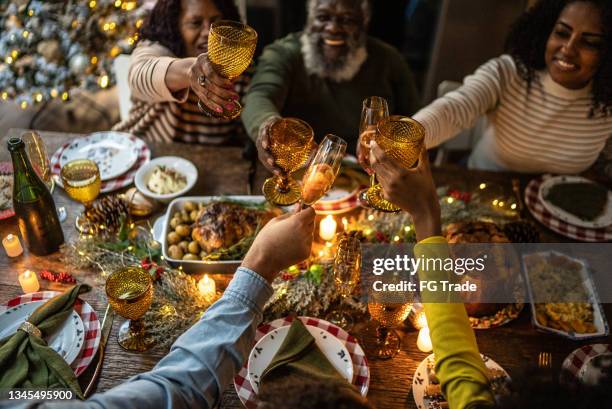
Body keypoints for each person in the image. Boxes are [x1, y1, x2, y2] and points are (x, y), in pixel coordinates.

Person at [414, 0, 612, 174]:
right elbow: (454, 109)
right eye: (561, 33)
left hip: (557, 202)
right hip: (484, 181)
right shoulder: (508, 72)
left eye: (590, 43)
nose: (568, 49)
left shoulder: (608, 105)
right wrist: (404, 140)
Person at [242, 0, 420, 173]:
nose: (333, 28)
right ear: (309, 20)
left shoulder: (389, 60)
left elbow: (413, 122)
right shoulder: (284, 53)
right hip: (293, 167)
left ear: (363, 24)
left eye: (347, 20)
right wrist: (267, 124)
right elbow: (259, 96)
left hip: (367, 173)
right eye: (323, 17)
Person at [112, 0, 248, 145]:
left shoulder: (237, 63)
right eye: (195, 23)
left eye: (216, 21)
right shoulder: (159, 49)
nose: (208, 33)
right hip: (145, 150)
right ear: (175, 26)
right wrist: (190, 71)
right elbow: (139, 75)